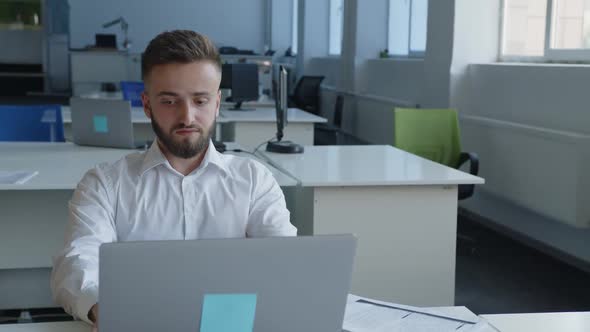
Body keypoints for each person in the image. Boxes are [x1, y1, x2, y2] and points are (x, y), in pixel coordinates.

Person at [51, 30, 297, 329]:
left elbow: (284, 263)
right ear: (147, 104)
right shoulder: (104, 183)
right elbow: (77, 263)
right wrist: (106, 310)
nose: (187, 117)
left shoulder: (254, 180)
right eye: (169, 101)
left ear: (217, 103)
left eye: (200, 100)